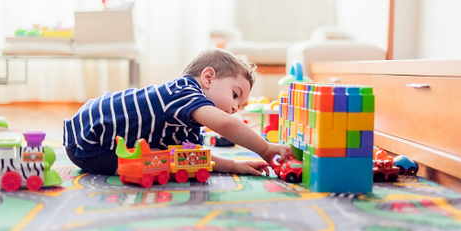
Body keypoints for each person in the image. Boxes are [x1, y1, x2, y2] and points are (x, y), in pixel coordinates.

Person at [63, 48, 293, 176]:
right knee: (159, 163)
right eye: (235, 95)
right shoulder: (183, 91)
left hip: (95, 140)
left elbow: (192, 157)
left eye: (239, 105)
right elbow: (226, 124)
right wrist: (264, 148)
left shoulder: (188, 121)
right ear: (208, 78)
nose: (234, 108)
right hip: (91, 142)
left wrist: (233, 166)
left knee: (174, 158)